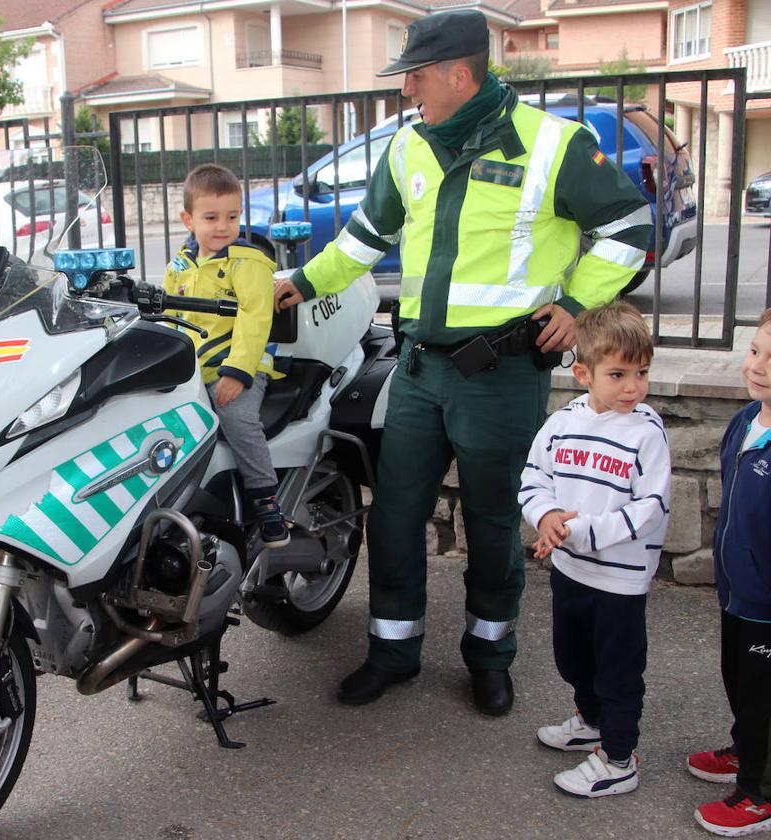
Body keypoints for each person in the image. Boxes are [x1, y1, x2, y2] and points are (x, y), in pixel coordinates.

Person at [274, 9, 652, 714]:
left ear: (458, 72)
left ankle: (489, 655)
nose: (407, 89)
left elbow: (631, 227)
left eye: (415, 74)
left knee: (492, 523)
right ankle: (392, 651)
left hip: (503, 374)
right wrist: (297, 284)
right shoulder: (408, 146)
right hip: (418, 371)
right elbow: (361, 238)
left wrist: (577, 303)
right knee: (393, 517)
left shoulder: (552, 143)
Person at [518, 301, 669, 798]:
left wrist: (577, 530)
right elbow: (535, 477)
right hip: (570, 570)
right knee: (573, 658)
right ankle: (592, 721)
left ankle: (619, 757)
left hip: (618, 580)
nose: (633, 387)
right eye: (619, 374)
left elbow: (648, 507)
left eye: (641, 372)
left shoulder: (646, 434)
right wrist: (545, 516)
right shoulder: (563, 422)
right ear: (583, 373)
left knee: (618, 671)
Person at [164, 163, 289, 546]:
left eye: (232, 217)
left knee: (238, 419)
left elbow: (255, 317)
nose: (223, 226)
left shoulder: (245, 262)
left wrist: (238, 372)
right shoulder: (179, 268)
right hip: (193, 373)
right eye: (211, 217)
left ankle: (266, 501)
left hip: (236, 368)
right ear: (188, 219)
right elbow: (168, 316)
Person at [687, 308, 771, 836]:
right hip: (737, 589)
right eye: (758, 351)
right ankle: (746, 750)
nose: (758, 366)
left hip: (769, 603)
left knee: (767, 695)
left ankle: (759, 795)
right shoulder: (746, 420)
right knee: (739, 682)